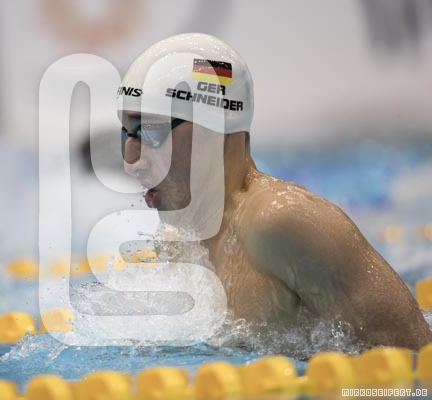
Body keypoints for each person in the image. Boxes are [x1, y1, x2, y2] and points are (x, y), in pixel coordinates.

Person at [116, 32, 432, 350]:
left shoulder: (282, 223)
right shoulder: (178, 244)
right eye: (127, 133)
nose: (131, 162)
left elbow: (414, 361)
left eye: (150, 131)